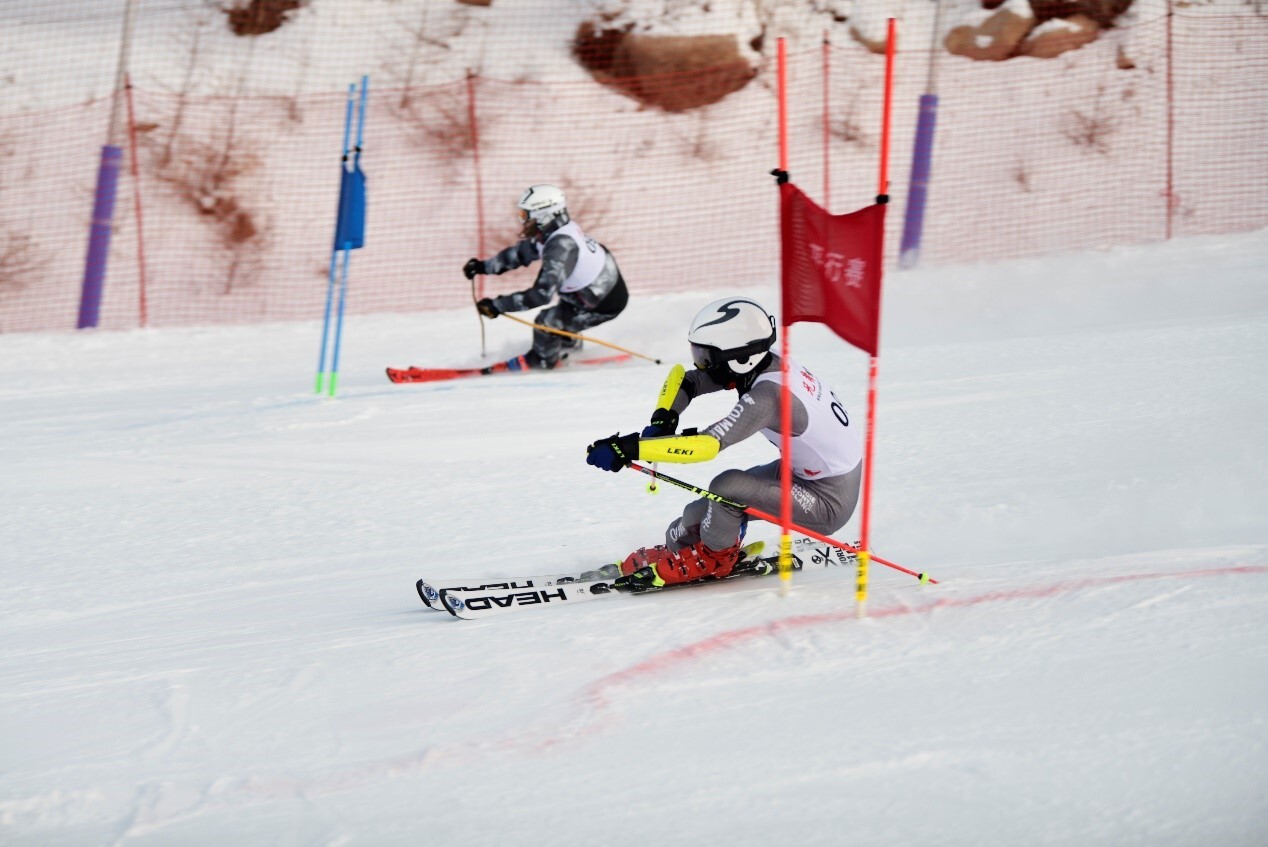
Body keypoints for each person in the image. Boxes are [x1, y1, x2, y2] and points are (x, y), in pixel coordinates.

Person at [585, 297, 862, 587]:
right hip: (801, 473)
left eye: (706, 357)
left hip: (828, 498)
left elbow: (706, 445)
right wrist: (663, 418)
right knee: (690, 520)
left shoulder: (768, 397)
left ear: (741, 358)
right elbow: (687, 380)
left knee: (726, 488)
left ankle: (717, 558)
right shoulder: (762, 359)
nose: (701, 364)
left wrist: (630, 448)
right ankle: (686, 551)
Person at [464, 184, 629, 370]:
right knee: (561, 315)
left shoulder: (561, 247)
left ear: (544, 215)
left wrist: (498, 306)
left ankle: (541, 362)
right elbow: (521, 253)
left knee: (547, 322)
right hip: (586, 294)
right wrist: (483, 267)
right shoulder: (553, 234)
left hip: (603, 304)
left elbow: (541, 295)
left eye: (525, 216)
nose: (522, 221)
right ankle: (569, 347)